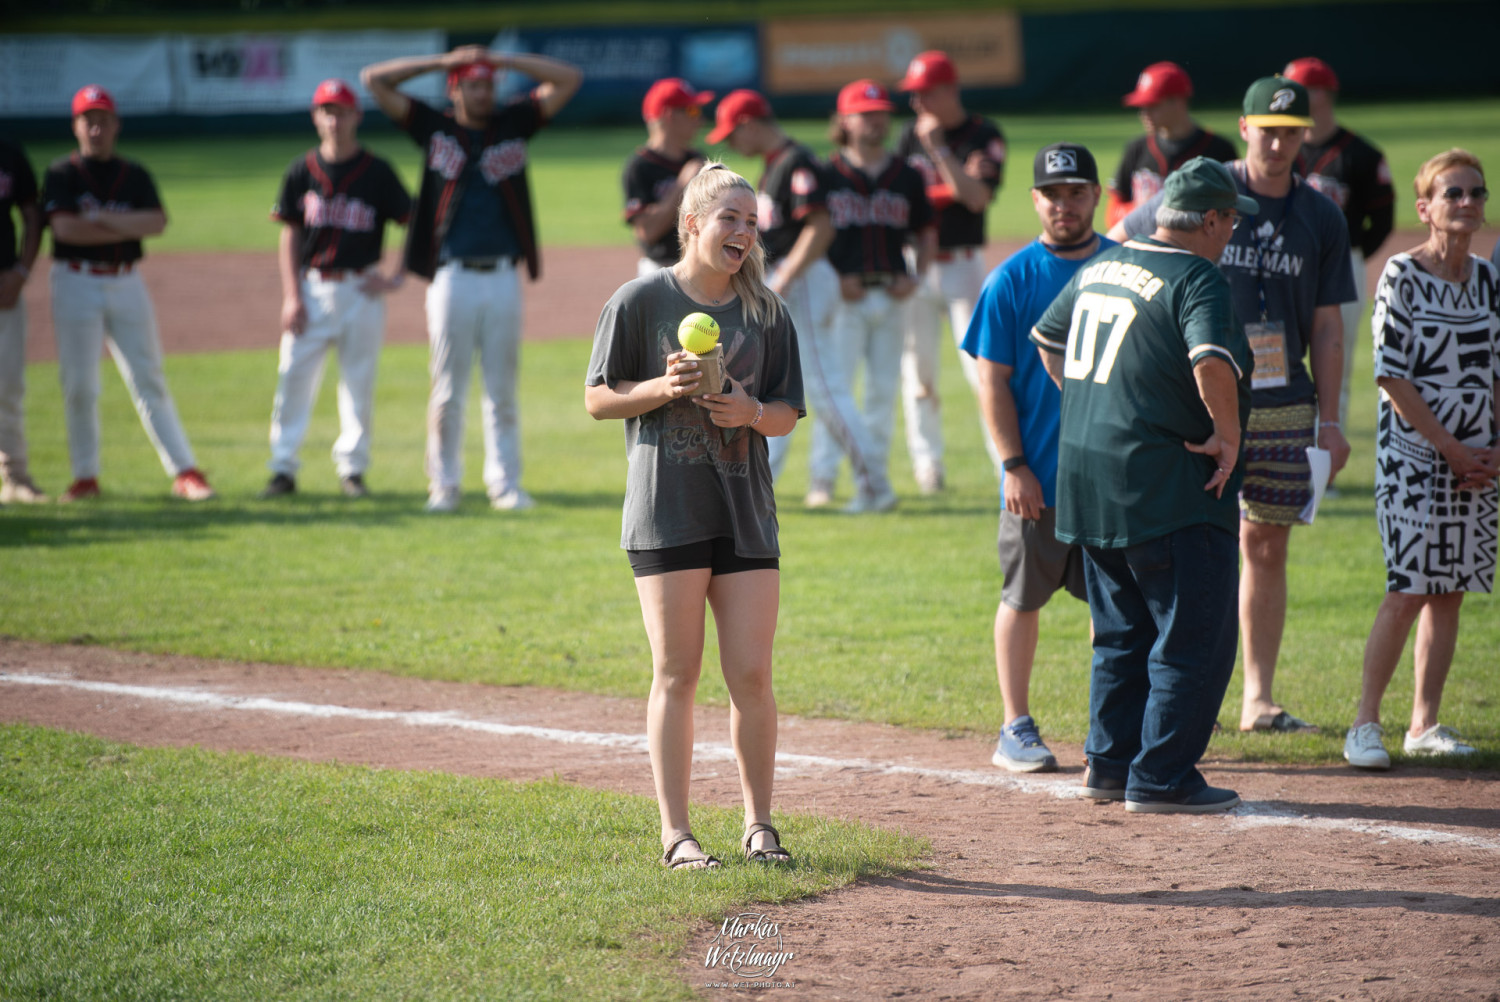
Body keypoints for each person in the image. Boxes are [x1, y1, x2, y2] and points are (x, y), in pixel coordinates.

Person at [1110, 76, 1357, 734]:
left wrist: (1331, 419)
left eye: (1291, 131)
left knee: (1265, 545)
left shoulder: (1321, 215)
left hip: (1281, 399)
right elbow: (1123, 241)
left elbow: (1329, 327)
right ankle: (1179, 697)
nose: (1278, 143)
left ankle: (1258, 696)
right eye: (1266, 130)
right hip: (1193, 395)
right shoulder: (1204, 188)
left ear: (1306, 134)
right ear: (1244, 128)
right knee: (1190, 545)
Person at [584, 164, 804, 868]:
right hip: (666, 508)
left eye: (751, 223)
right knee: (677, 673)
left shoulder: (768, 311)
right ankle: (676, 834)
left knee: (752, 676)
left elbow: (787, 413)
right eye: (729, 219)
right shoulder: (639, 299)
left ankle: (759, 826)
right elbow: (597, 398)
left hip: (745, 509)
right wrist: (659, 386)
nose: (742, 233)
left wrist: (751, 413)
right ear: (693, 225)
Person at [1032, 157, 1257, 813]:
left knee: (1121, 632)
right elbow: (1211, 361)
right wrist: (1227, 433)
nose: (1230, 231)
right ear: (1211, 219)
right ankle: (1161, 777)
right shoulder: (1197, 276)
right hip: (1165, 485)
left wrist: (1094, 407)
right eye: (1230, 220)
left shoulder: (1101, 265)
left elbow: (1048, 340)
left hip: (1085, 477)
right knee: (1194, 633)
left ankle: (1108, 766)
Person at [361, 45, 582, 513]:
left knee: (502, 389)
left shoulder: (514, 123)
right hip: (451, 277)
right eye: (473, 84)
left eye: (488, 83)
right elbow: (374, 79)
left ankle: (505, 485)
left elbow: (568, 80)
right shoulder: (433, 126)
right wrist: (441, 63)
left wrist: (505, 61)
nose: (484, 92)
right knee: (447, 389)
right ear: (455, 89)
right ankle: (443, 485)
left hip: (503, 274)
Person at [962, 143, 1115, 772]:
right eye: (1052, 194)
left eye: (1076, 192)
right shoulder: (1013, 279)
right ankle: (1014, 726)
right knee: (1023, 597)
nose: (1064, 205)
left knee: (1117, 608)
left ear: (1097, 196)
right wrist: (1013, 465)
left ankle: (1112, 723)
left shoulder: (1123, 266)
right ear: (1034, 200)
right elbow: (991, 381)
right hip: (1039, 477)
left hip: (1111, 481)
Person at [1343, 149, 1498, 770]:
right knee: (1408, 588)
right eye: (1452, 193)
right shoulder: (1402, 276)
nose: (1466, 203)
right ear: (1425, 207)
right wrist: (1454, 450)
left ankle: (1423, 723)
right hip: (1416, 460)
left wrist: (1491, 450)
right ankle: (1364, 723)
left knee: (1452, 588)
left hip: (1479, 461)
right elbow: (1393, 378)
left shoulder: (1490, 279)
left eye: (1475, 193)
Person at [42, 86, 215, 503]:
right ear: (76, 125)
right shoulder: (61, 174)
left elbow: (156, 222)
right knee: (80, 384)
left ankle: (185, 471)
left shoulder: (133, 174)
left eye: (103, 119)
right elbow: (65, 230)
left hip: (125, 281)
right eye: (88, 119)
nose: (96, 128)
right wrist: (124, 223)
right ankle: (86, 476)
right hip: (75, 281)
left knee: (149, 376)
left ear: (116, 124)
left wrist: (98, 218)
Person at [260, 79, 411, 500]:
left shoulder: (377, 171)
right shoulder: (300, 170)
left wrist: (395, 276)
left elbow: (412, 220)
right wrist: (291, 295)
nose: (334, 119)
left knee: (358, 384)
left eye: (342, 111)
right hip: (311, 288)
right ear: (315, 117)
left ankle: (353, 470)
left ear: (356, 116)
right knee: (292, 379)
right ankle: (283, 468)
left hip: (362, 289)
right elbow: (289, 233)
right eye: (326, 111)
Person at [707, 88, 846, 486]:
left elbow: (820, 227)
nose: (731, 143)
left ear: (750, 124)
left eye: (733, 134)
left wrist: (782, 280)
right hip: (789, 279)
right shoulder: (773, 165)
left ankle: (875, 483)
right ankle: (763, 477)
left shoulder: (795, 161)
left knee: (822, 386)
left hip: (802, 279)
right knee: (777, 383)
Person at [816, 79, 935, 513]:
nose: (876, 121)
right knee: (836, 393)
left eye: (881, 113)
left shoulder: (905, 174)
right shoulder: (826, 174)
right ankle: (823, 478)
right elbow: (810, 236)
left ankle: (872, 484)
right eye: (866, 114)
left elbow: (925, 231)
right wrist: (832, 275)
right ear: (844, 120)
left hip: (890, 296)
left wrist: (917, 275)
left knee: (883, 394)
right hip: (842, 300)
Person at [893, 50, 1008, 492]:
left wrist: (940, 151)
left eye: (922, 94)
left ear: (946, 90)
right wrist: (953, 186)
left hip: (963, 267)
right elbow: (907, 203)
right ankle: (928, 468)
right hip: (916, 266)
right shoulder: (906, 138)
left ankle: (1003, 461)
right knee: (917, 374)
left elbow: (976, 198)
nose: (915, 104)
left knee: (981, 368)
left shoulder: (983, 134)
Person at [1282, 57, 1396, 433]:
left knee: (1335, 368)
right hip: (1284, 264)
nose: (1291, 96)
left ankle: (1326, 468)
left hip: (1341, 265)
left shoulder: (1361, 154)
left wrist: (1352, 255)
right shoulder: (1278, 152)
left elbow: (1381, 221)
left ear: (1325, 94)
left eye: (1300, 89)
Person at [1106, 62, 1237, 230]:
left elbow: (1234, 210)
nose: (1143, 113)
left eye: (1152, 105)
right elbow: (1113, 210)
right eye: (1142, 107)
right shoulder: (1136, 149)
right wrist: (1141, 211)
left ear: (1178, 102)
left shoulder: (1219, 150)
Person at [624, 78, 712, 279]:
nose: (700, 120)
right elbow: (648, 232)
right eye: (692, 111)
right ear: (670, 115)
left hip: (700, 269)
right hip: (659, 272)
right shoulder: (639, 167)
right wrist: (682, 185)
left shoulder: (698, 159)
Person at [0, 135, 45, 504]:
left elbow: (33, 215)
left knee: (8, 386)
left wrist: (21, 273)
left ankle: (14, 476)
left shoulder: (9, 154)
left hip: (5, 289)